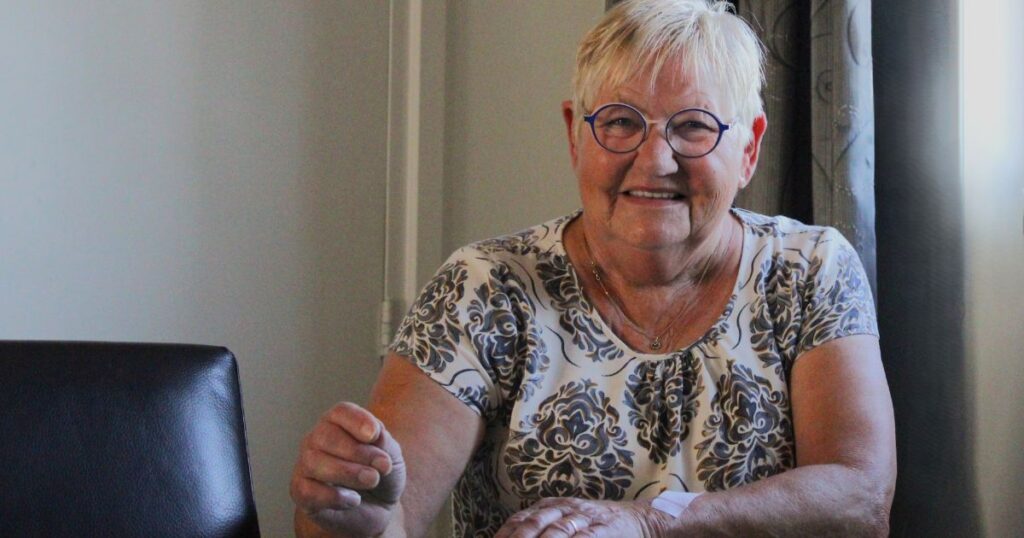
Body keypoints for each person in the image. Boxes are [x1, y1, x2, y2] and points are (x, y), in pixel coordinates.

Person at [290, 0, 897, 536]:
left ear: (750, 148)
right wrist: (358, 517)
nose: (654, 160)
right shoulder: (485, 287)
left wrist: (653, 522)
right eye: (620, 122)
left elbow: (860, 499)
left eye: (692, 126)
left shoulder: (809, 270)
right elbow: (386, 518)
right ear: (575, 137)